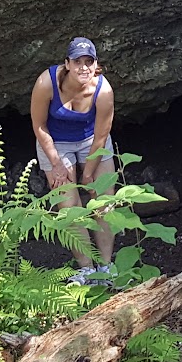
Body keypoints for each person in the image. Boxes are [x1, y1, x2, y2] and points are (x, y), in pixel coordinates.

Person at [30, 36, 118, 284]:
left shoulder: (103, 90)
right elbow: (39, 125)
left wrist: (88, 174)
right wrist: (56, 164)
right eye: (77, 61)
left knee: (103, 203)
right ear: (67, 63)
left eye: (88, 61)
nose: (83, 67)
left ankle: (106, 266)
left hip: (92, 141)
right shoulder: (47, 83)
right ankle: (86, 268)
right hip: (55, 142)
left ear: (96, 64)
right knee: (69, 206)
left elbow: (102, 135)